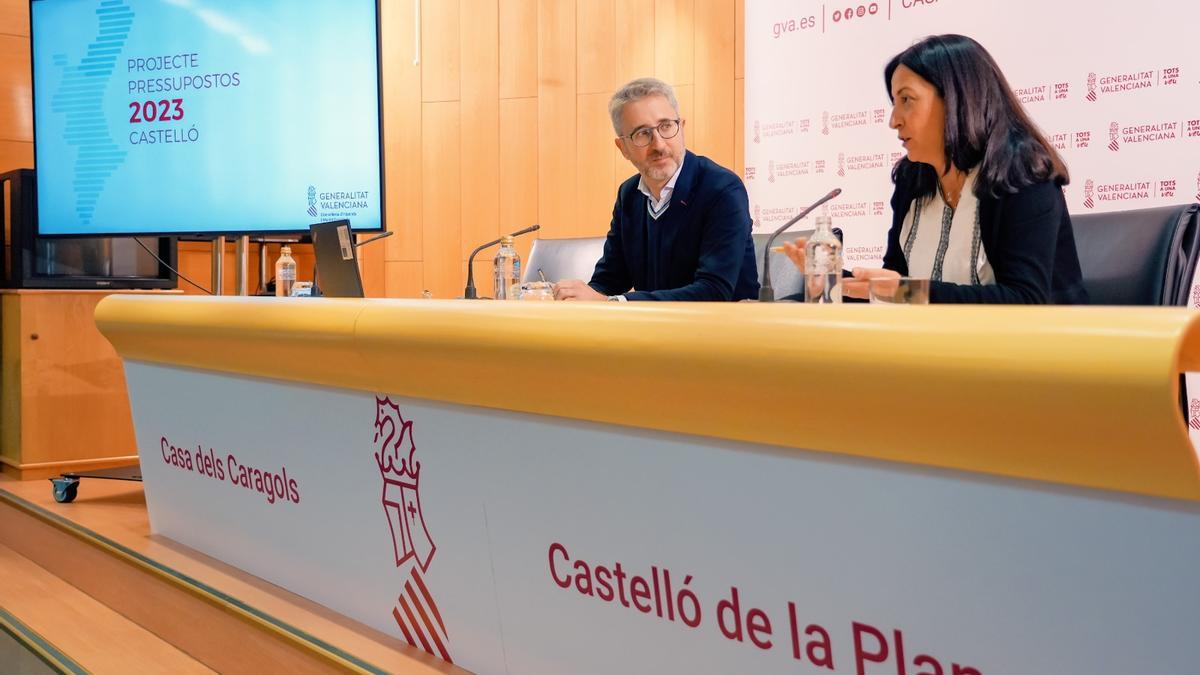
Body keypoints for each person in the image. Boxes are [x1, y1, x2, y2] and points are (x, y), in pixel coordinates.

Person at [783, 34, 1088, 304]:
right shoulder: (912, 179)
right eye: (893, 102)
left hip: (1035, 357)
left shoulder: (1021, 173)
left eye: (907, 100)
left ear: (956, 100)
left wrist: (905, 291)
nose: (894, 120)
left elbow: (1025, 300)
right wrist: (831, 277)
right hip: (939, 351)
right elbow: (895, 286)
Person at [553, 77, 759, 301]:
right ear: (623, 147)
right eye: (642, 133)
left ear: (682, 128)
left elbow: (714, 291)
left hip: (723, 331)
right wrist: (575, 297)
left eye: (666, 126)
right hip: (654, 332)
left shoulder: (722, 189)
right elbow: (610, 280)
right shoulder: (629, 195)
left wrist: (614, 303)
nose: (659, 144)